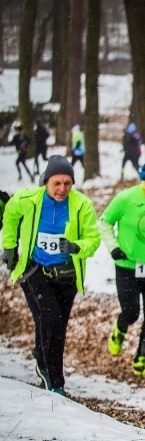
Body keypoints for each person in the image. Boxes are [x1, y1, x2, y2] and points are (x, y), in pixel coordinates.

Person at [1, 156, 101, 396]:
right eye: (57, 183)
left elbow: (93, 239)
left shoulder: (82, 204)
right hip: (35, 270)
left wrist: (76, 247)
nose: (62, 189)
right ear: (46, 181)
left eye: (68, 183)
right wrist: (10, 247)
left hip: (66, 276)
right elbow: (11, 214)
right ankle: (54, 380)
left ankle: (42, 360)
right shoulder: (29, 199)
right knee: (51, 318)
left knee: (55, 325)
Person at [98, 158, 145, 377]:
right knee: (131, 312)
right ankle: (119, 330)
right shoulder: (126, 198)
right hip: (127, 266)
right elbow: (104, 222)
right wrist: (113, 247)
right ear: (144, 177)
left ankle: (140, 359)